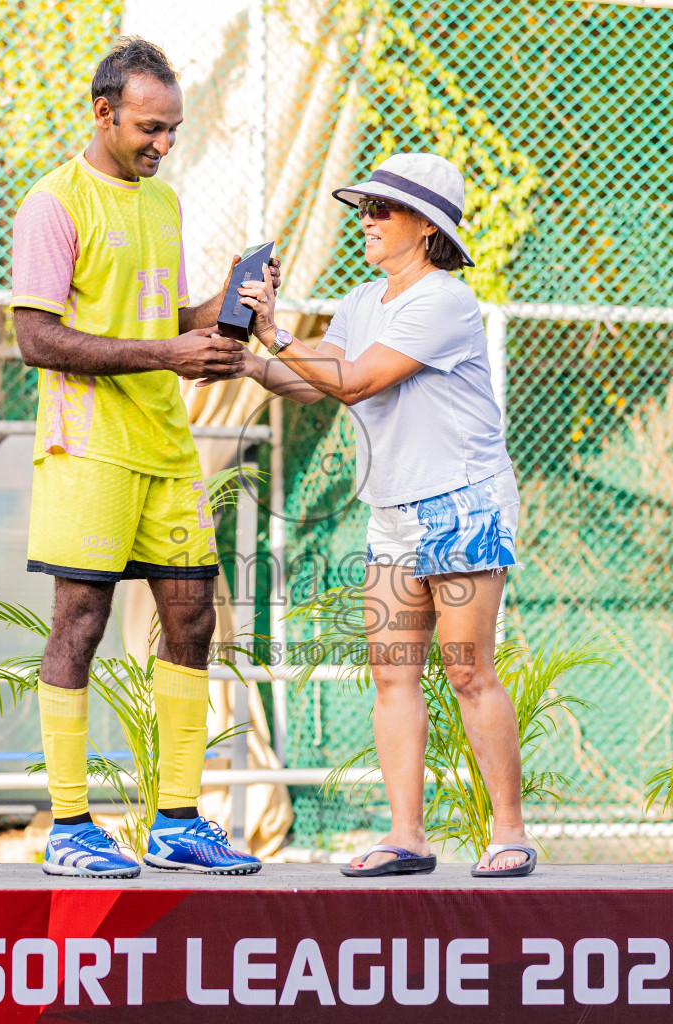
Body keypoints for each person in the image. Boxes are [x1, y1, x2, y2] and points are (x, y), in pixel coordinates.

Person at [223, 153, 536, 876]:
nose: (365, 219)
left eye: (381, 210)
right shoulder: (364, 302)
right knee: (392, 672)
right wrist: (245, 358)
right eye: (362, 208)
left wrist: (275, 334)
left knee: (466, 671)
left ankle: (511, 833)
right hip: (393, 508)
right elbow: (314, 385)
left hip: (462, 504)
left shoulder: (445, 301)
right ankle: (407, 839)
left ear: (426, 226)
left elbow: (357, 382)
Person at [10, 37, 279, 878]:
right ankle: (68, 827)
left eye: (173, 129)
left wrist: (230, 303)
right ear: (104, 112)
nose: (162, 144)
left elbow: (163, 316)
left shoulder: (162, 205)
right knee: (80, 622)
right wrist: (171, 354)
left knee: (193, 620)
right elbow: (36, 337)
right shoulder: (54, 204)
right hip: (87, 447)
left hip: (166, 445)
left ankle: (175, 823)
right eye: (149, 128)